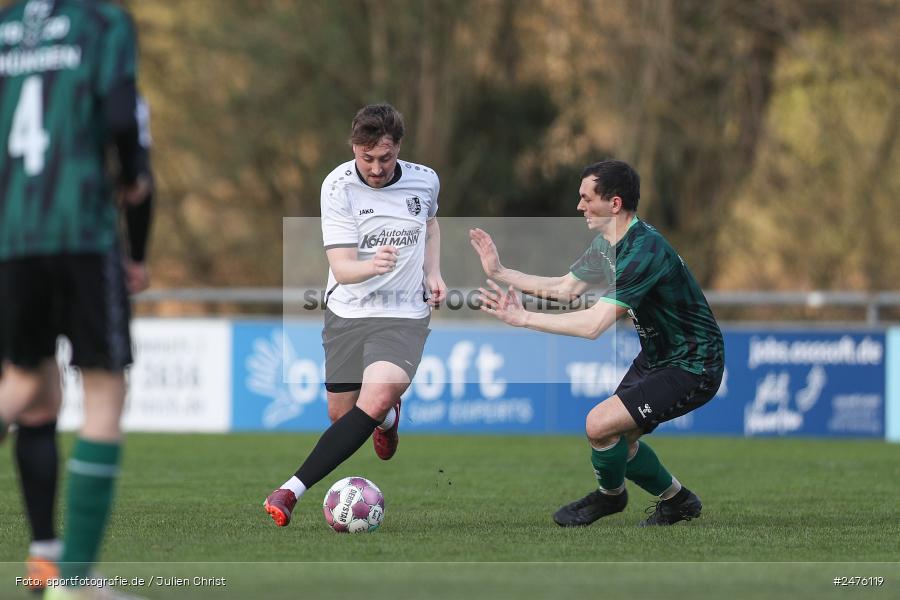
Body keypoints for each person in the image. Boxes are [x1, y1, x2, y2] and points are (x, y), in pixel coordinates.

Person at [470, 159, 724, 527]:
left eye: (587, 198)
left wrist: (523, 318)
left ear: (614, 204)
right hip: (658, 357)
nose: (579, 206)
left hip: (694, 363)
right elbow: (566, 289)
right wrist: (499, 272)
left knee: (598, 424)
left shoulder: (644, 251)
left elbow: (593, 325)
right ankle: (678, 500)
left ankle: (611, 497)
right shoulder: (606, 245)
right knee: (617, 438)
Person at [0, 0, 153, 596]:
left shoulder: (6, 30)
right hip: (82, 231)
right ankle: (76, 581)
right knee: (105, 393)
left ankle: (56, 566)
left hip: (13, 239)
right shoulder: (103, 23)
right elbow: (121, 118)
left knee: (24, 385)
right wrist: (133, 172)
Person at [264, 103, 445, 526]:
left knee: (377, 393)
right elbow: (344, 269)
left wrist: (433, 272)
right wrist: (373, 265)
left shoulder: (426, 180)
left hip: (404, 315)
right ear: (354, 149)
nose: (377, 168)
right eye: (367, 158)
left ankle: (290, 490)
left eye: (385, 157)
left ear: (399, 147)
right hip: (348, 310)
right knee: (343, 417)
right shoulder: (338, 186)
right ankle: (386, 421)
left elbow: (431, 224)